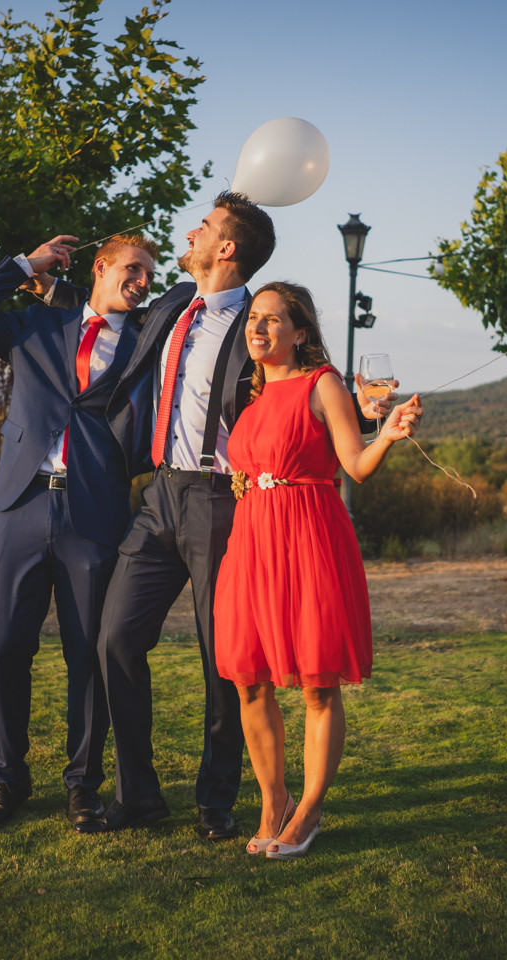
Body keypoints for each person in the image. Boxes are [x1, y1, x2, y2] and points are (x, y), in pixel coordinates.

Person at [43, 193, 392, 840]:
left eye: (202, 226)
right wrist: (51, 284)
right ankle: (139, 796)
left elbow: (308, 389)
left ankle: (219, 800)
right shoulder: (174, 303)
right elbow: (112, 316)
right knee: (115, 639)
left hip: (224, 498)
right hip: (155, 496)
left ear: (226, 248)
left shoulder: (259, 321)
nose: (191, 231)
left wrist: (374, 417)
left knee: (226, 659)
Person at [0, 233, 159, 833]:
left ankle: (82, 788)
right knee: (4, 649)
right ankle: (6, 778)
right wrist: (24, 266)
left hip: (94, 515)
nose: (143, 280)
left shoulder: (147, 343)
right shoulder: (37, 324)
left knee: (86, 656)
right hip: (18, 504)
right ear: (101, 267)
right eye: (133, 268)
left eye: (149, 273)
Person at [213, 281, 422, 859]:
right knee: (248, 679)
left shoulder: (322, 383)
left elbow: (354, 465)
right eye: (254, 318)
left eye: (272, 320)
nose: (258, 328)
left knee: (316, 683)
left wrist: (390, 434)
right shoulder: (249, 398)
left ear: (299, 333)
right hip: (251, 542)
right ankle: (272, 799)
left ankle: (309, 808)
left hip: (308, 538)